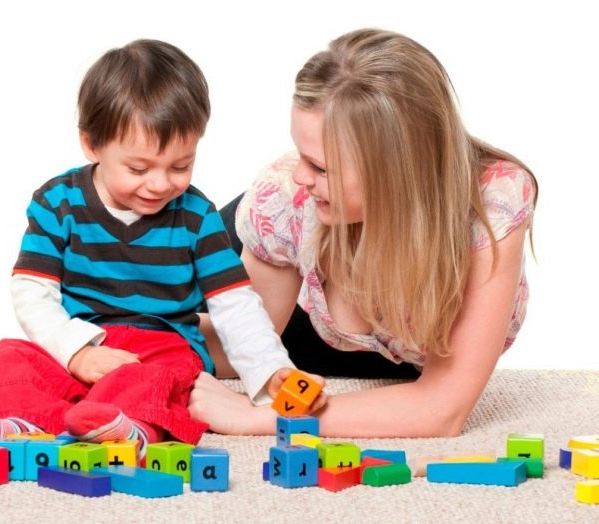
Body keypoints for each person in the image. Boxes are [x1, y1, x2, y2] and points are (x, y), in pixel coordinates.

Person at [0, 39, 324, 462]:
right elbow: (32, 293)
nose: (161, 184)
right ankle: (36, 422)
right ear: (92, 145)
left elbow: (236, 305)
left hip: (159, 348)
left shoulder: (196, 217)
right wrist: (77, 353)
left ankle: (126, 427)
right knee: (4, 358)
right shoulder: (57, 203)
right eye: (138, 168)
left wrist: (271, 369)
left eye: (181, 166)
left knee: (165, 380)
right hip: (80, 341)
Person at [188, 28, 538, 438]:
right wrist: (131, 339)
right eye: (301, 155)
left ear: (395, 172)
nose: (301, 175)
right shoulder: (287, 199)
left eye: (321, 167)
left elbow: (442, 410)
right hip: (295, 294)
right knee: (151, 296)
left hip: (381, 345)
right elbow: (240, 347)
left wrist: (261, 419)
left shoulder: (494, 204)